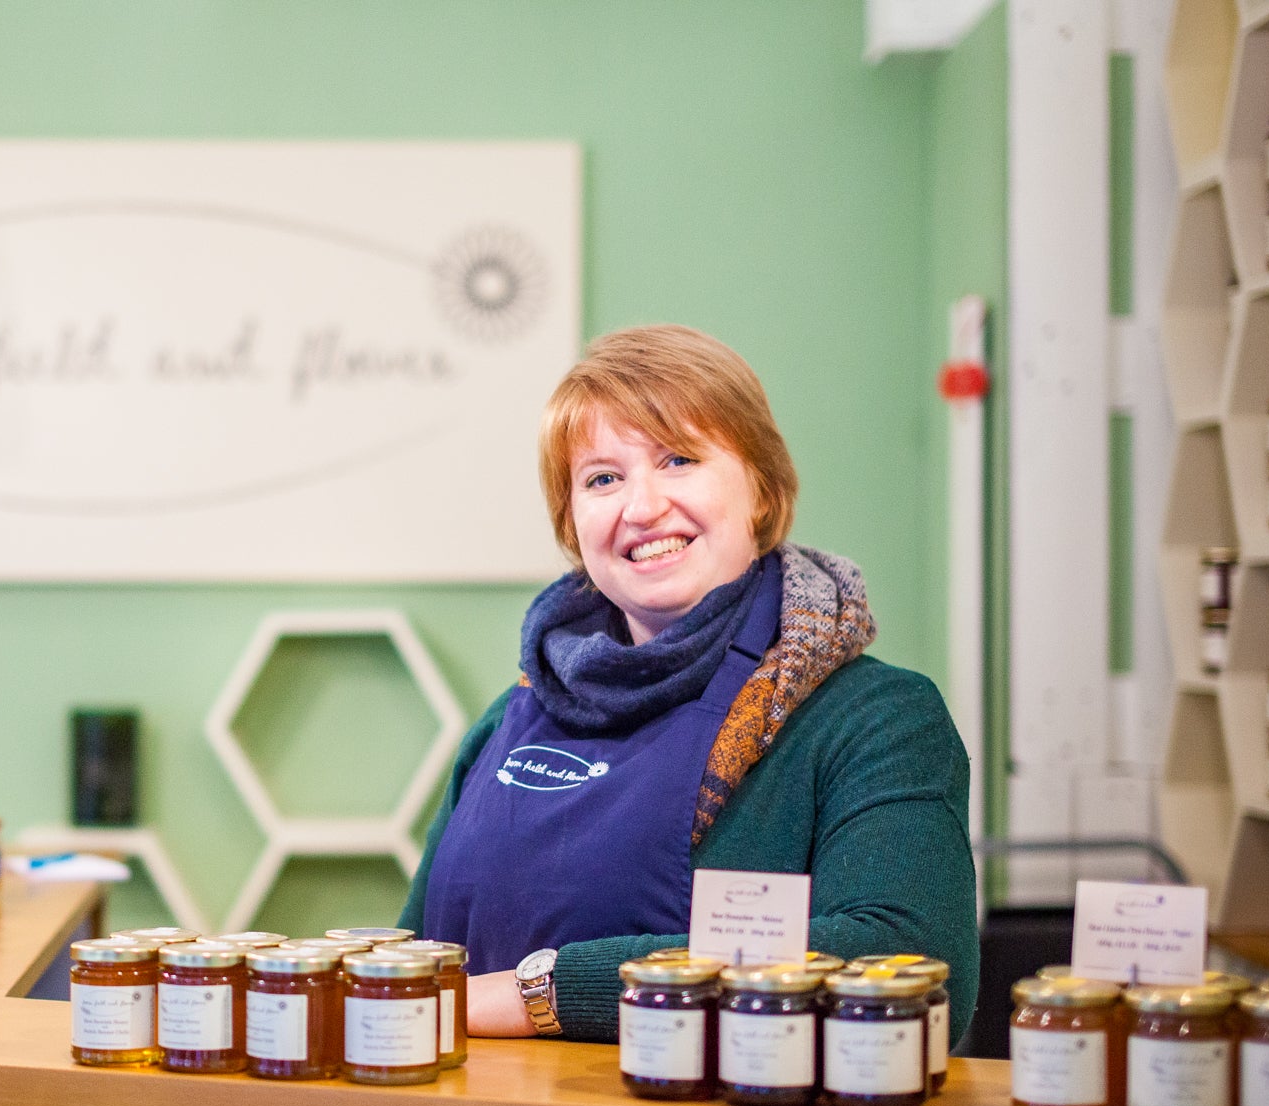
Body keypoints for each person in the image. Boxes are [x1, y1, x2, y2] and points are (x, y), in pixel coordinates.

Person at [396, 324, 978, 1044]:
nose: (642, 507)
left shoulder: (877, 720)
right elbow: (415, 963)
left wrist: (539, 992)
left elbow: (909, 960)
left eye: (679, 459)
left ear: (761, 490)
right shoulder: (512, 718)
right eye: (602, 478)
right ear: (573, 522)